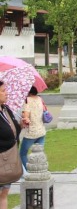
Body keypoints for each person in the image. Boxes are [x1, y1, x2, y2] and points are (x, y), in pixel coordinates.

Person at [0, 80, 22, 209]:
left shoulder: (5, 109)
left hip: (8, 158)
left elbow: (13, 129)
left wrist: (21, 125)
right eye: (3, 91)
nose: (6, 93)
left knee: (4, 193)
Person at [20, 86, 46, 169]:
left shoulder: (27, 100)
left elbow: (26, 117)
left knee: (23, 153)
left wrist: (24, 116)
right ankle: (41, 170)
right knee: (39, 153)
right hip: (41, 130)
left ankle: (29, 172)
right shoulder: (40, 99)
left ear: (28, 92)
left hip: (31, 132)